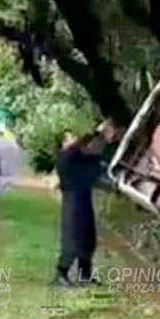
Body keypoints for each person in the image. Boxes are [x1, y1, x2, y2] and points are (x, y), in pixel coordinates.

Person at [53, 120, 120, 286]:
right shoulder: (67, 158)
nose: (73, 140)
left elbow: (101, 161)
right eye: (68, 138)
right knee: (73, 239)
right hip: (72, 201)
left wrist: (107, 138)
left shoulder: (84, 157)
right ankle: (61, 274)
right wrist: (97, 133)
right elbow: (80, 151)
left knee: (89, 239)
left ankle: (85, 275)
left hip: (83, 199)